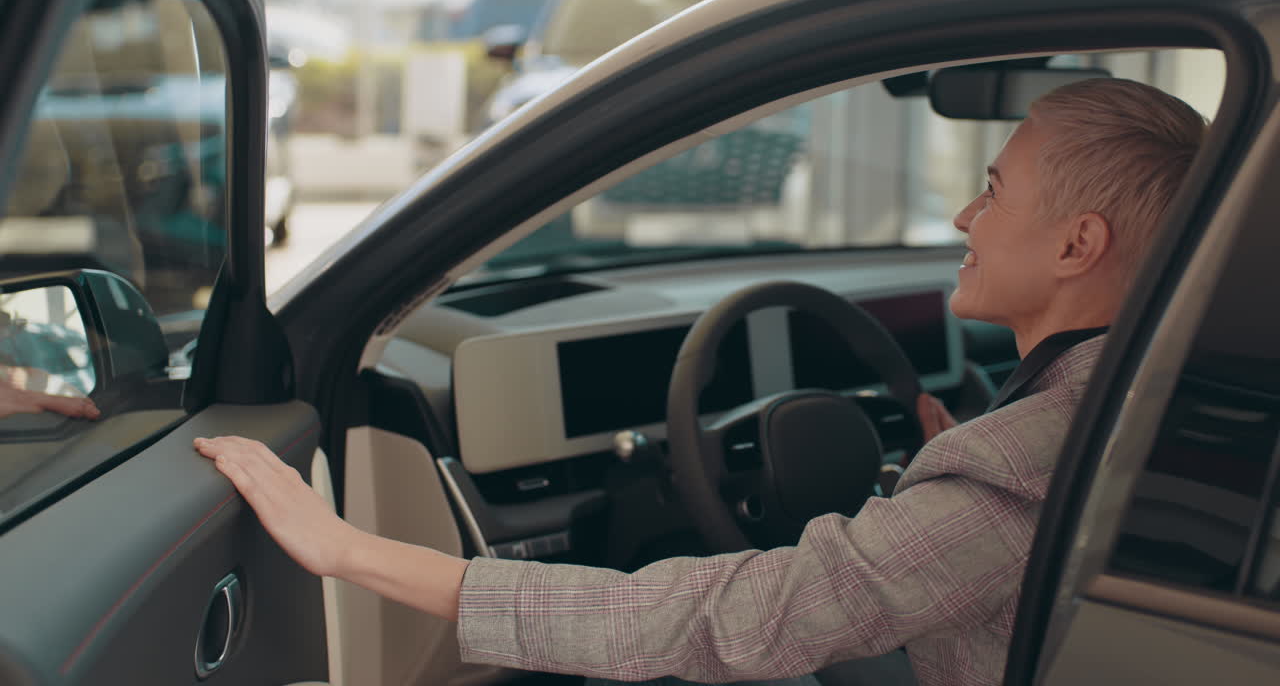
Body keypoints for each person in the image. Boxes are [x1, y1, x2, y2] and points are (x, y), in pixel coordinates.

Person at [193, 78, 1207, 686]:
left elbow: (732, 619)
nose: (962, 219)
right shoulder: (1131, 394)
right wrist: (940, 463)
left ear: (1077, 245)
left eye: (991, 192)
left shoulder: (1014, 468)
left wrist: (352, 551)